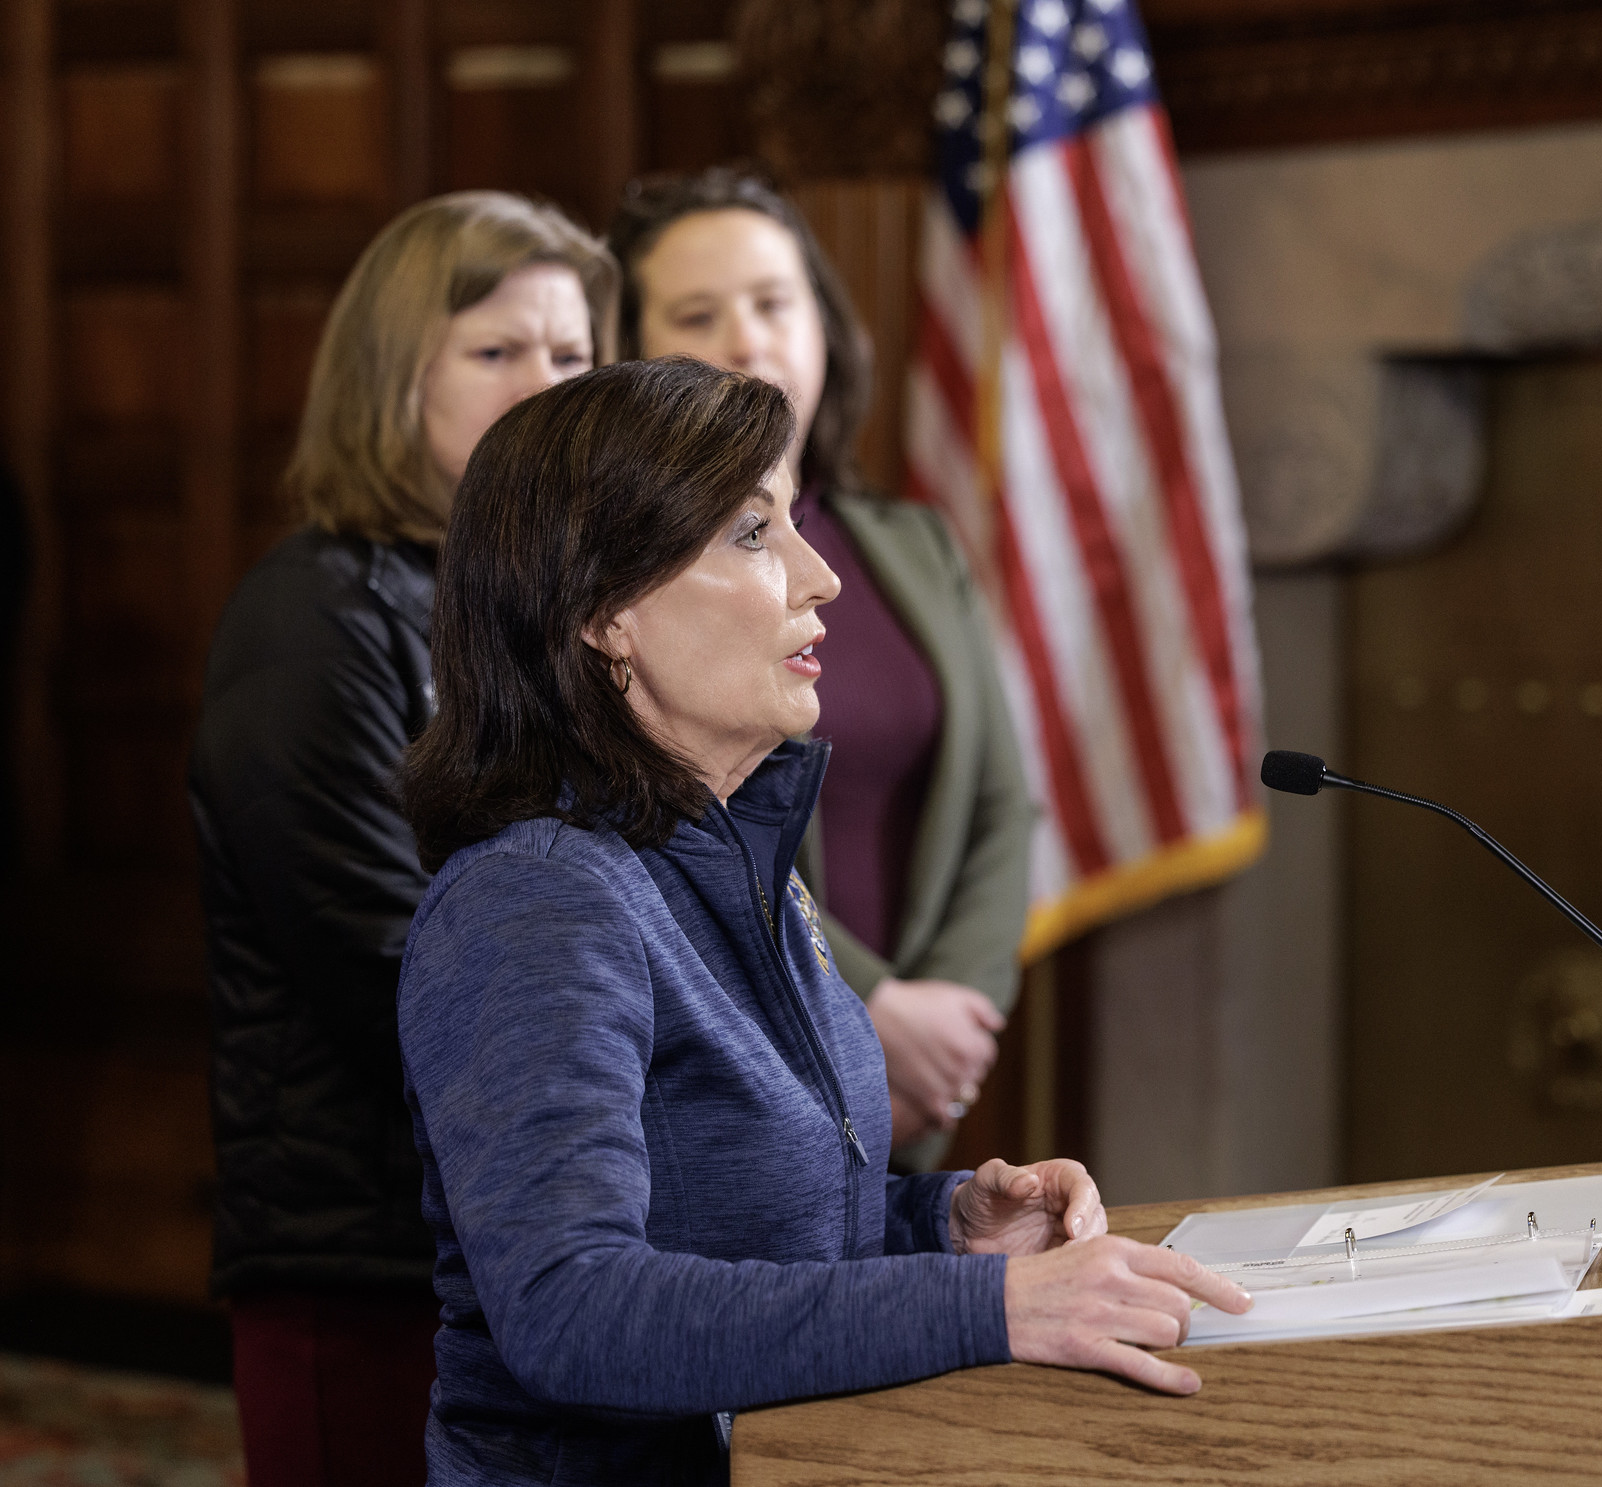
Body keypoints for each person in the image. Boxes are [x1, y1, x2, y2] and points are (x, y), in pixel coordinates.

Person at [394, 356, 1249, 1485]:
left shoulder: (729, 861)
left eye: (793, 523)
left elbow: (744, 1225)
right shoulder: (533, 898)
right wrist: (984, 1303)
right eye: (751, 535)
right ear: (606, 615)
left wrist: (940, 1223)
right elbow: (569, 1307)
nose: (820, 577)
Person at [187, 192, 618, 1487]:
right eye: (498, 352)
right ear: (393, 380)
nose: (545, 386)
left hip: (524, 1228)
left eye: (571, 354)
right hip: (369, 1261)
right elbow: (384, 966)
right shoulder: (310, 621)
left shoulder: (542, 608)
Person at [608, 172, 1031, 1161]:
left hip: (924, 1085)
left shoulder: (911, 544)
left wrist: (952, 1015)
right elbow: (670, 813)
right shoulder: (624, 573)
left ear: (826, 327)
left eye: (771, 302)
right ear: (627, 349)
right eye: (696, 313)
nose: (746, 340)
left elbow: (1002, 803)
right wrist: (871, 1007)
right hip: (737, 1070)